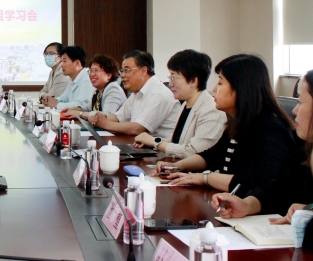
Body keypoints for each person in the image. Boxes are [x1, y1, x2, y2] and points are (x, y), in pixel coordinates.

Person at [156, 54, 297, 197]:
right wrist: (177, 166)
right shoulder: (238, 122)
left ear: (240, 88)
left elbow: (255, 183)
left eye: (220, 83)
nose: (214, 89)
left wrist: (205, 178)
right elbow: (212, 156)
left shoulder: (271, 130)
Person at [209, 68, 313, 222]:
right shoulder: (304, 147)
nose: (295, 110)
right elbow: (278, 188)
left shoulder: (272, 129)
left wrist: (309, 210)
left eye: (300, 102)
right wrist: (247, 205)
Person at [133, 50, 227, 157]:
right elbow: (177, 142)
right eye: (170, 78)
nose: (170, 84)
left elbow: (194, 152)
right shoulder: (185, 105)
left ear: (193, 81)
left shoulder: (211, 110)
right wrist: (151, 143)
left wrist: (155, 142)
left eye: (174, 78)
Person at [89, 50, 180, 139]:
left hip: (158, 148)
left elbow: (138, 128)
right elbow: (118, 117)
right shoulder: (137, 92)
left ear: (143, 71)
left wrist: (105, 123)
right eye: (122, 71)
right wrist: (97, 119)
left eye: (127, 70)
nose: (123, 75)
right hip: (139, 144)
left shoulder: (159, 94)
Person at [63, 54, 126, 119]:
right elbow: (88, 108)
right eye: (91, 71)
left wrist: (80, 114)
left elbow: (106, 115)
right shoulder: (97, 90)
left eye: (96, 70)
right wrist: (74, 109)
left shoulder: (113, 89)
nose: (92, 74)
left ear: (109, 75)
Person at [43, 46, 94, 110]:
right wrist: (52, 100)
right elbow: (64, 98)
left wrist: (57, 104)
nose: (61, 65)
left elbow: (82, 105)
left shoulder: (87, 78)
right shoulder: (72, 79)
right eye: (61, 61)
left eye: (64, 61)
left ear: (77, 63)